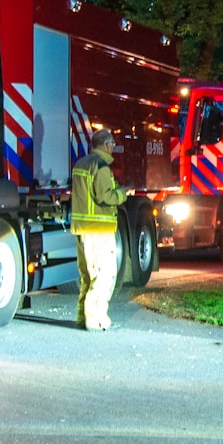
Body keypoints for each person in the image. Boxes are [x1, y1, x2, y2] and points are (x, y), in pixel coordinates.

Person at [70, 129, 130, 330]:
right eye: (112, 144)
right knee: (104, 274)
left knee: (88, 275)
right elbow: (105, 197)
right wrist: (123, 193)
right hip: (99, 229)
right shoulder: (101, 167)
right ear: (105, 145)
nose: (113, 147)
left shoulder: (81, 164)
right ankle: (95, 320)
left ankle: (82, 316)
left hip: (82, 229)